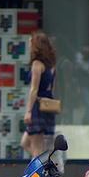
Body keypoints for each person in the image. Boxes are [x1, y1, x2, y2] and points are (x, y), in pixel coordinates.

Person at [21, 30, 58, 159]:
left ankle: (41, 174)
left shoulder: (37, 64)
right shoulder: (51, 65)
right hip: (47, 105)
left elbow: (33, 89)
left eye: (31, 43)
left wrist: (28, 111)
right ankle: (43, 164)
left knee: (36, 146)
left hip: (37, 106)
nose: (29, 46)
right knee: (25, 142)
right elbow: (51, 89)